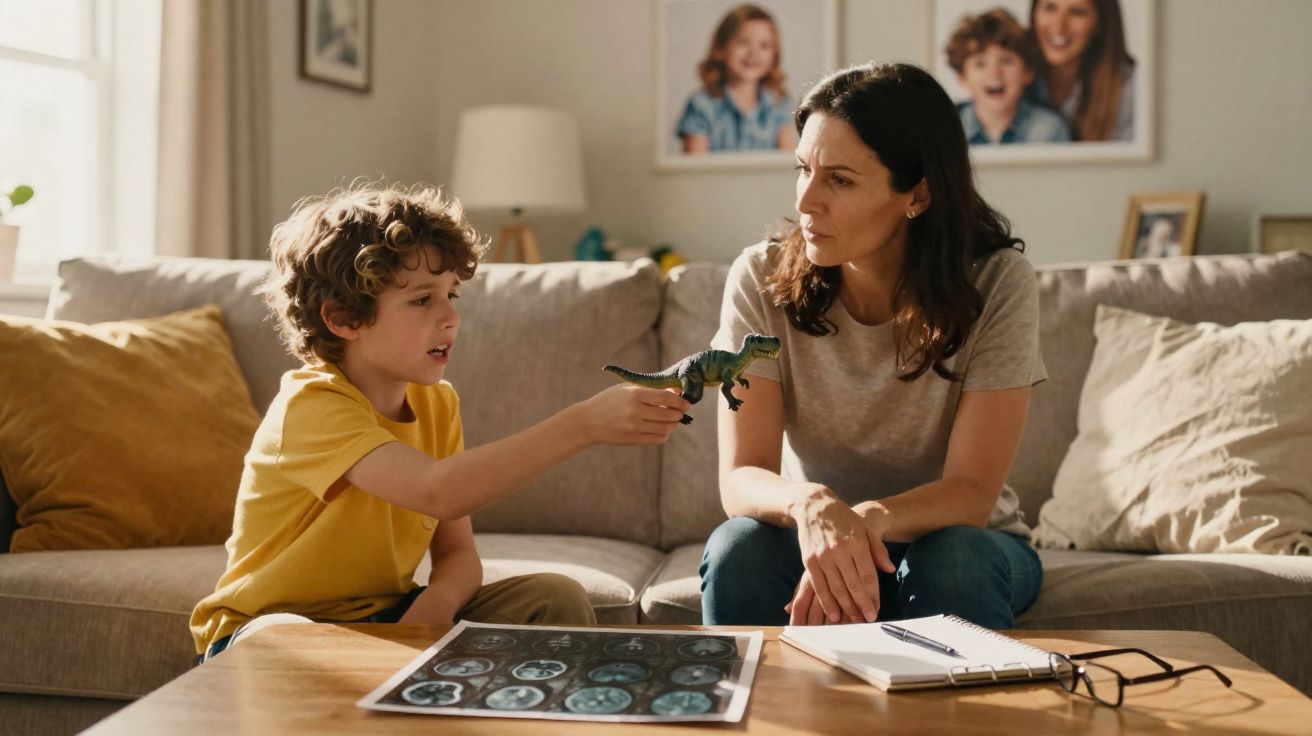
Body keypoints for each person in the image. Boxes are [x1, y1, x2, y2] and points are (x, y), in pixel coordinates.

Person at [190, 183, 691, 660]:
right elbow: (437, 491)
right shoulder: (311, 406)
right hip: (269, 626)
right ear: (342, 318)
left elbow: (458, 555)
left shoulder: (436, 404)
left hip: (386, 614)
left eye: (453, 295)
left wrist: (436, 608)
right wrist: (582, 425)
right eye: (422, 299)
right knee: (294, 643)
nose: (450, 317)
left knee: (552, 597)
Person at [700, 63, 1046, 630]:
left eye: (839, 179)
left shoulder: (998, 283)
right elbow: (741, 476)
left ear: (918, 193)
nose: (807, 201)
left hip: (960, 543)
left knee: (954, 559)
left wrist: (862, 523)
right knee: (739, 548)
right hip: (812, 542)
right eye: (802, 170)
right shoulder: (759, 278)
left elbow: (971, 494)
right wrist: (811, 505)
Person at [675, 3, 796, 154]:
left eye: (764, 45)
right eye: (743, 42)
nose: (753, 52)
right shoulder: (701, 105)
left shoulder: (779, 105)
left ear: (774, 56)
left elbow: (785, 164)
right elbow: (695, 170)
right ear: (720, 49)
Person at [946, 8, 1070, 145]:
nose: (994, 73)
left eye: (1007, 61)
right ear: (963, 77)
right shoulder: (947, 130)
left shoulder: (1049, 130)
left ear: (1028, 72)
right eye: (980, 64)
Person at [1025, 0, 1136, 142]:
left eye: (1077, 12)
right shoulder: (1004, 74)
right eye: (1050, 8)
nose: (1059, 26)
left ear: (1100, 24)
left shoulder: (1129, 89)